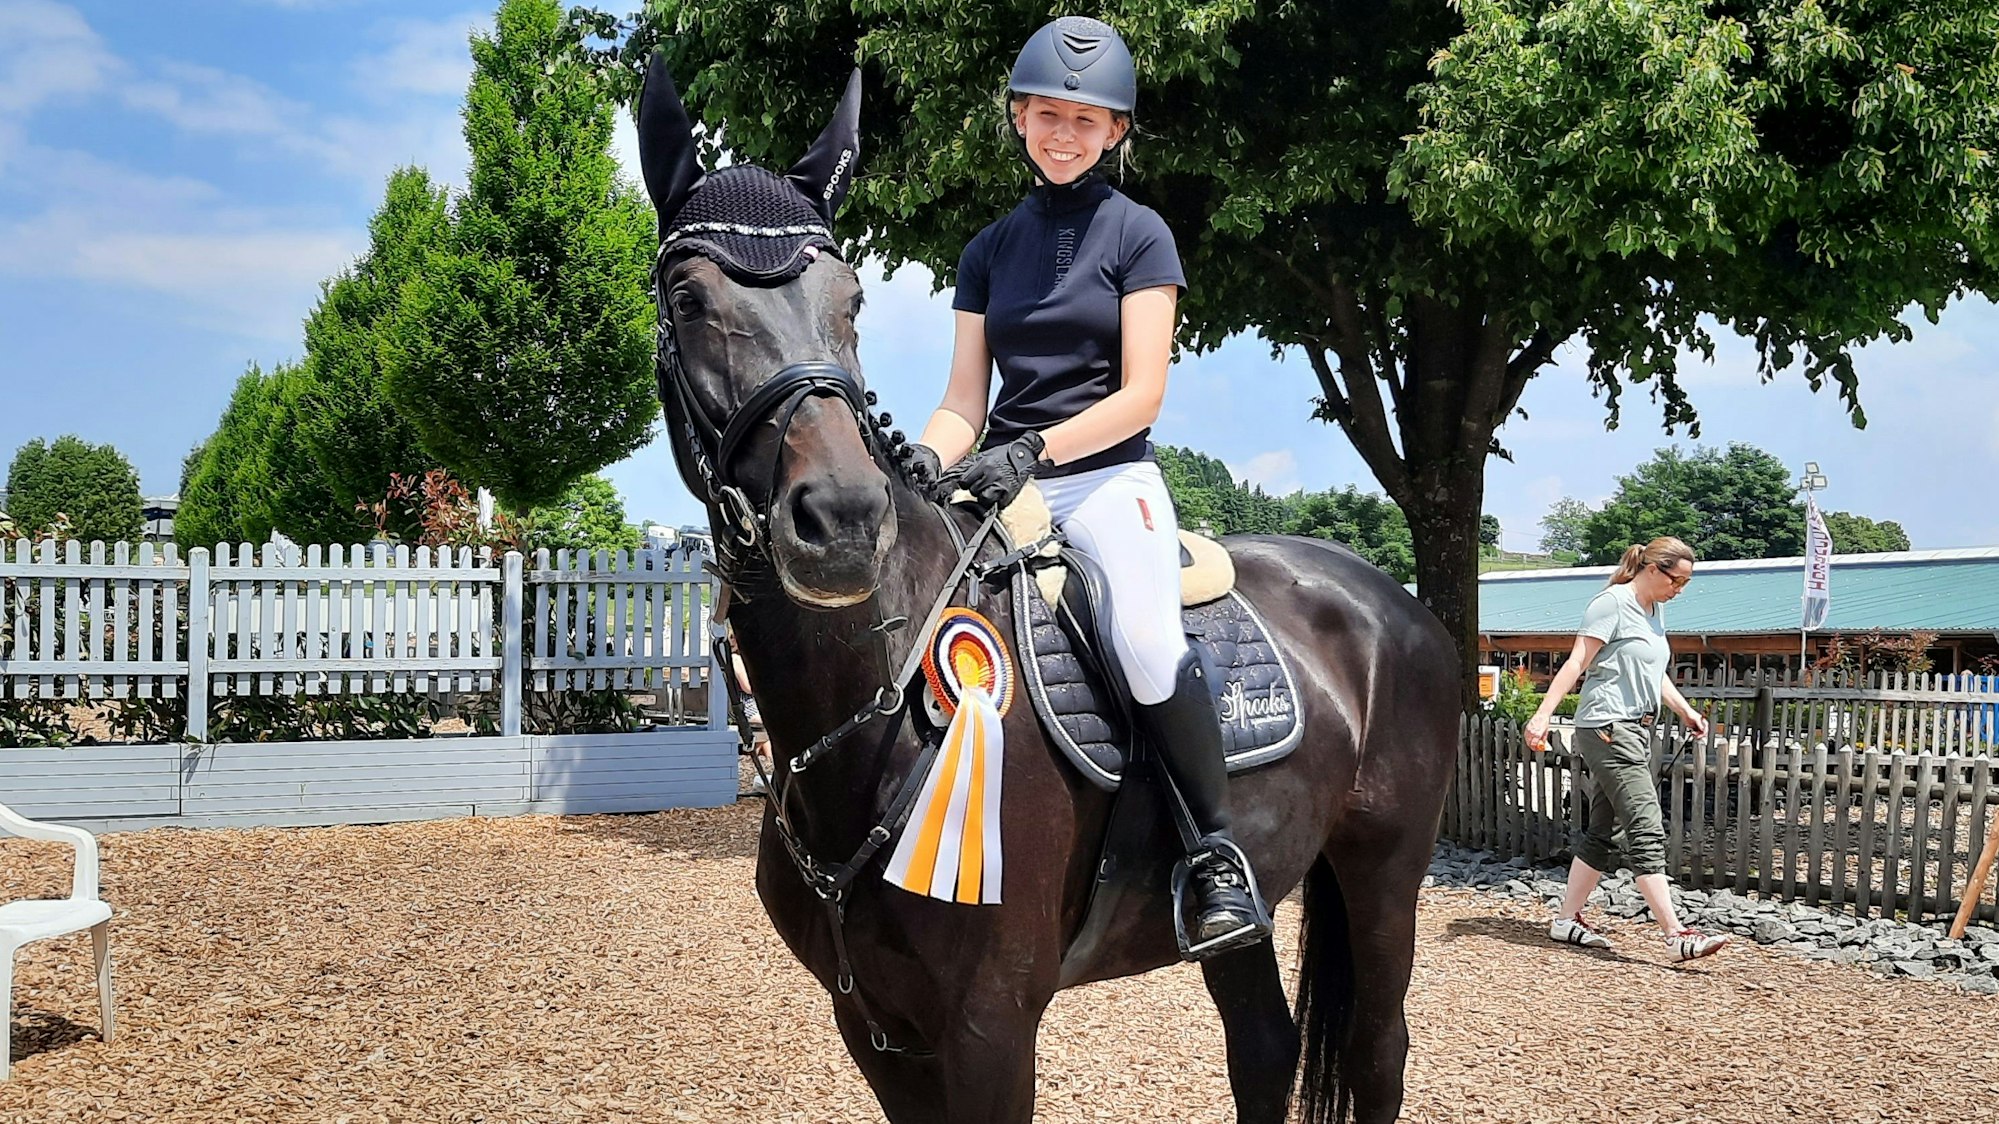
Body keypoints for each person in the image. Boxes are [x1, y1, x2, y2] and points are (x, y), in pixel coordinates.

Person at [898, 15, 1268, 955]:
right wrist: (928, 463)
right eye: (1048, 114)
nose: (1064, 133)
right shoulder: (986, 250)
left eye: (1086, 119)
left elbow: (1141, 391)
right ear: (1018, 117)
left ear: (1115, 134)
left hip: (1107, 479)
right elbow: (959, 401)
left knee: (1143, 636)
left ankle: (1214, 854)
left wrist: (1034, 451)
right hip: (1005, 479)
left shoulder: (1138, 235)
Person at [1523, 537, 1730, 962]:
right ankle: (1676, 935)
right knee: (1645, 823)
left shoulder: (1655, 611)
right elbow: (1576, 662)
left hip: (1635, 729)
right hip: (1606, 727)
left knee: (1605, 830)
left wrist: (1686, 710)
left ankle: (1565, 919)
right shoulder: (1612, 603)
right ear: (1653, 570)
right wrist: (1543, 715)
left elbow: (1653, 672)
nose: (1681, 589)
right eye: (1678, 580)